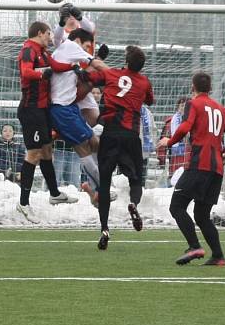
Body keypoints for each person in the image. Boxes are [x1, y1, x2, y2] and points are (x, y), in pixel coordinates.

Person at [159, 71, 225, 266]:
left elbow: (185, 127)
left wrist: (169, 142)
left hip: (199, 164)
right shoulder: (222, 109)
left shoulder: (193, 104)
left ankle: (194, 246)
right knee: (201, 215)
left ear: (192, 88)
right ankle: (218, 255)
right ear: (210, 88)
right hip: (217, 170)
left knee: (177, 206)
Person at [85, 45, 154, 250]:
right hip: (131, 136)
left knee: (104, 184)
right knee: (135, 179)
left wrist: (90, 61)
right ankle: (133, 203)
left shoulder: (112, 74)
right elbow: (150, 100)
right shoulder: (144, 82)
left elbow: (92, 78)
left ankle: (105, 228)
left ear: (126, 62)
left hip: (110, 134)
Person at [16, 21, 79, 219]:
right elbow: (26, 72)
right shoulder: (28, 50)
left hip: (42, 109)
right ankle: (23, 203)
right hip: (31, 109)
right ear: (40, 33)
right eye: (49, 34)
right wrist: (42, 74)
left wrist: (73, 66)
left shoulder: (43, 53)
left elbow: (55, 66)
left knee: (46, 150)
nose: (51, 38)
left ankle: (54, 194)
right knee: (34, 153)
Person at [49, 27, 108, 204]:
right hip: (62, 110)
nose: (87, 51)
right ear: (79, 42)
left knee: (95, 143)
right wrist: (117, 76)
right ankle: (100, 189)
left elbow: (89, 72)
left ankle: (95, 189)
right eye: (87, 46)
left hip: (70, 108)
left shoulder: (68, 51)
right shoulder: (71, 46)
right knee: (83, 148)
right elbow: (94, 69)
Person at [156, 97, 190, 180]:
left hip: (190, 160)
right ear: (178, 107)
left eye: (186, 106)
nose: (184, 108)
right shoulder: (171, 123)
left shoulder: (195, 122)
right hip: (175, 159)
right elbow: (162, 142)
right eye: (182, 106)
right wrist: (162, 159)